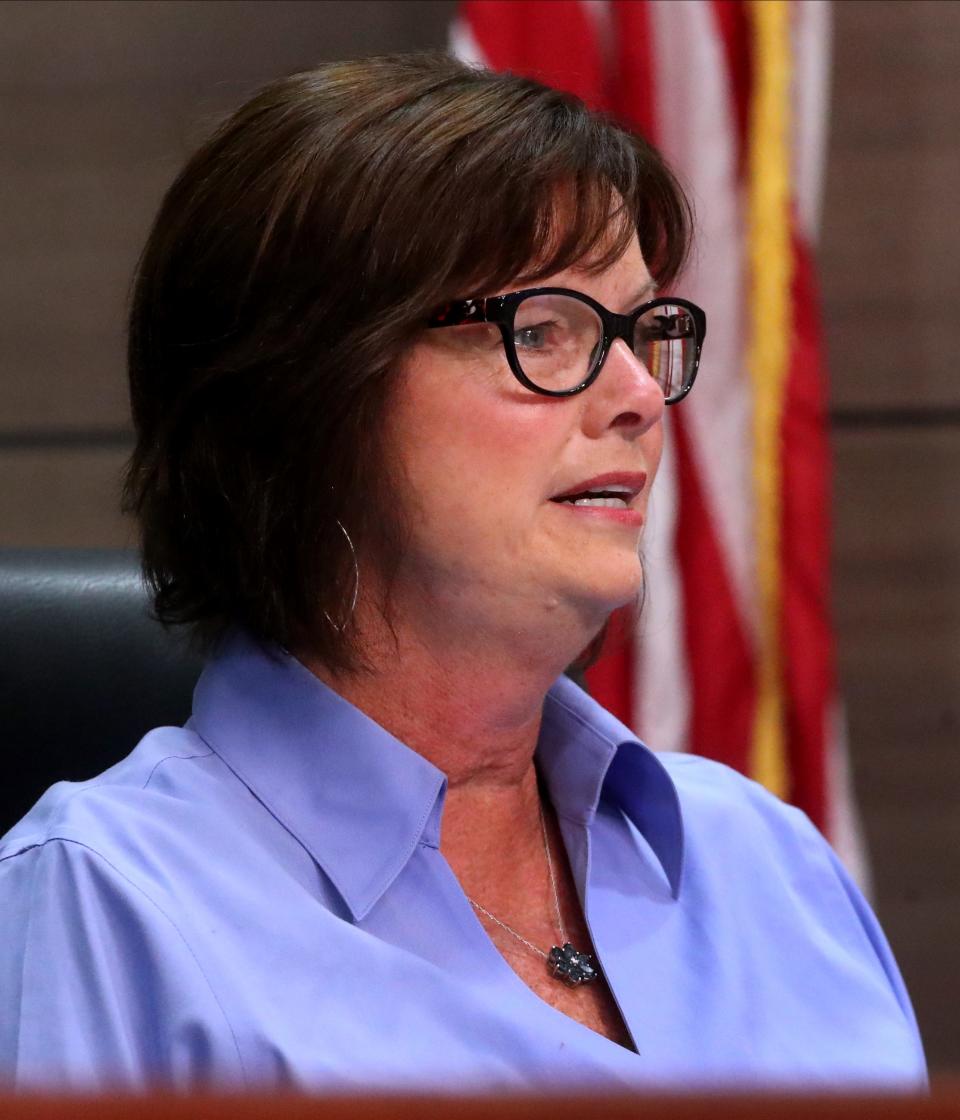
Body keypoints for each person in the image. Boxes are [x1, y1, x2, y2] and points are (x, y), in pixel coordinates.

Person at [0, 53, 925, 1093]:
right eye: (542, 330)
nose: (636, 396)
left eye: (643, 331)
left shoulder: (768, 860)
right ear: (306, 399)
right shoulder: (107, 910)